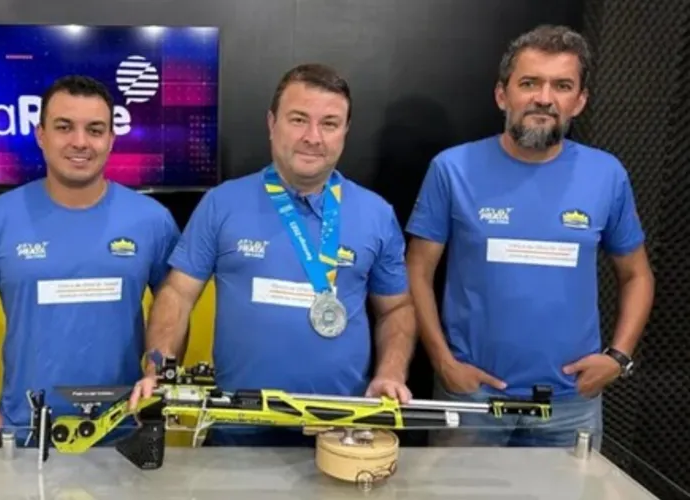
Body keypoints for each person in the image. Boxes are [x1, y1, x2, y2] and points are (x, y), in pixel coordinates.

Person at [128, 63, 418, 446]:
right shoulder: (222, 204)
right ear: (272, 122)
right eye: (299, 119)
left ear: (345, 131)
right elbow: (178, 295)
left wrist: (391, 373)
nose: (313, 137)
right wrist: (159, 370)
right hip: (237, 428)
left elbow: (396, 309)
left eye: (329, 124)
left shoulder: (377, 214)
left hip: (340, 430)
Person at [405, 25, 655, 448]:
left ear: (580, 101)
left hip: (570, 403)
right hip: (472, 398)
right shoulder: (452, 169)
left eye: (562, 85)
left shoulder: (606, 175)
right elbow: (416, 270)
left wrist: (618, 358)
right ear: (502, 95)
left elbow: (637, 275)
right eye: (529, 83)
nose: (544, 97)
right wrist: (444, 362)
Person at [0, 75, 181, 434]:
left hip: (122, 432)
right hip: (28, 432)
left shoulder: (152, 219)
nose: (80, 142)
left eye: (95, 129)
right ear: (41, 134)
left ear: (112, 139)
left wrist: (157, 377)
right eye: (64, 127)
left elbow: (175, 300)